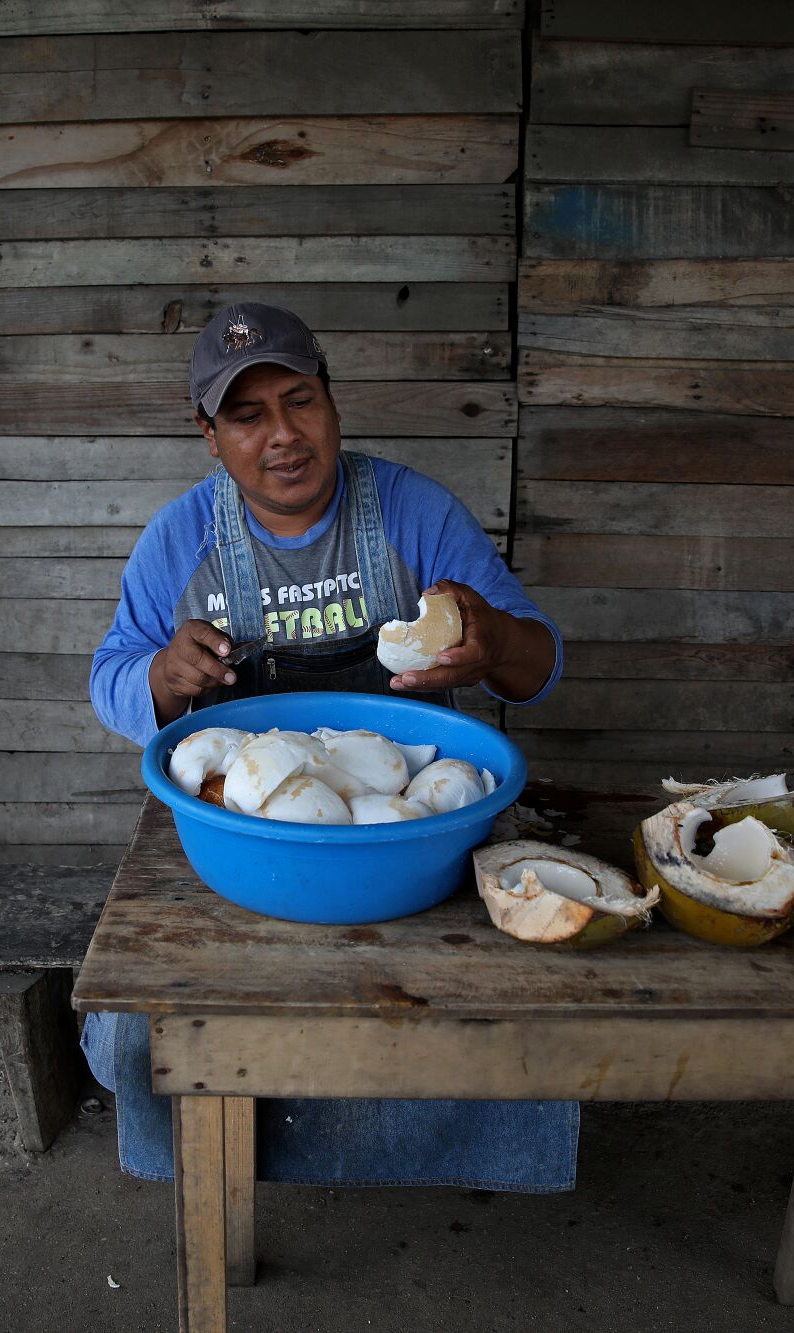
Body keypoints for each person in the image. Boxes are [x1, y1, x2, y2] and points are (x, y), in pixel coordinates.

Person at [83, 302, 577, 1191]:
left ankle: (447, 1166)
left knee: (532, 995)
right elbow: (108, 678)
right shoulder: (179, 542)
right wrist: (161, 675)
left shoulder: (414, 514)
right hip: (246, 849)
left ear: (332, 401)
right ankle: (225, 1166)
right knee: (134, 1030)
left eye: (299, 400)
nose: (283, 435)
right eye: (247, 416)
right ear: (209, 435)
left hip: (410, 843)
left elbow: (537, 663)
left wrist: (490, 639)